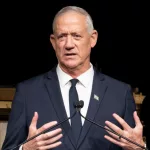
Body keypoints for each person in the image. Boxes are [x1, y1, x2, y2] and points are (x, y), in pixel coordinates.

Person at [2, 6, 147, 150]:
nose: (69, 45)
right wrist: (25, 149)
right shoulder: (28, 92)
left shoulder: (120, 93)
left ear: (92, 39)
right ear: (53, 42)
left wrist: (139, 148)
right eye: (62, 37)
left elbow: (133, 144)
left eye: (76, 36)